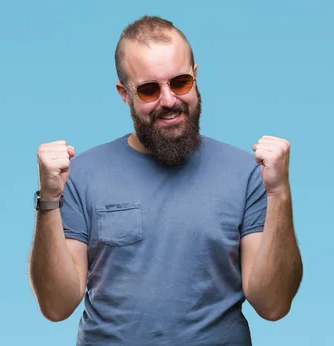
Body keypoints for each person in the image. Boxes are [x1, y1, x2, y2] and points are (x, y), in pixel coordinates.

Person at [27, 15, 303, 345]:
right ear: (124, 94)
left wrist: (280, 193)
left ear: (196, 77)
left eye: (180, 82)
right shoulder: (80, 175)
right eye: (148, 89)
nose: (169, 100)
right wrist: (48, 200)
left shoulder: (247, 173)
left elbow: (273, 305)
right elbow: (57, 307)